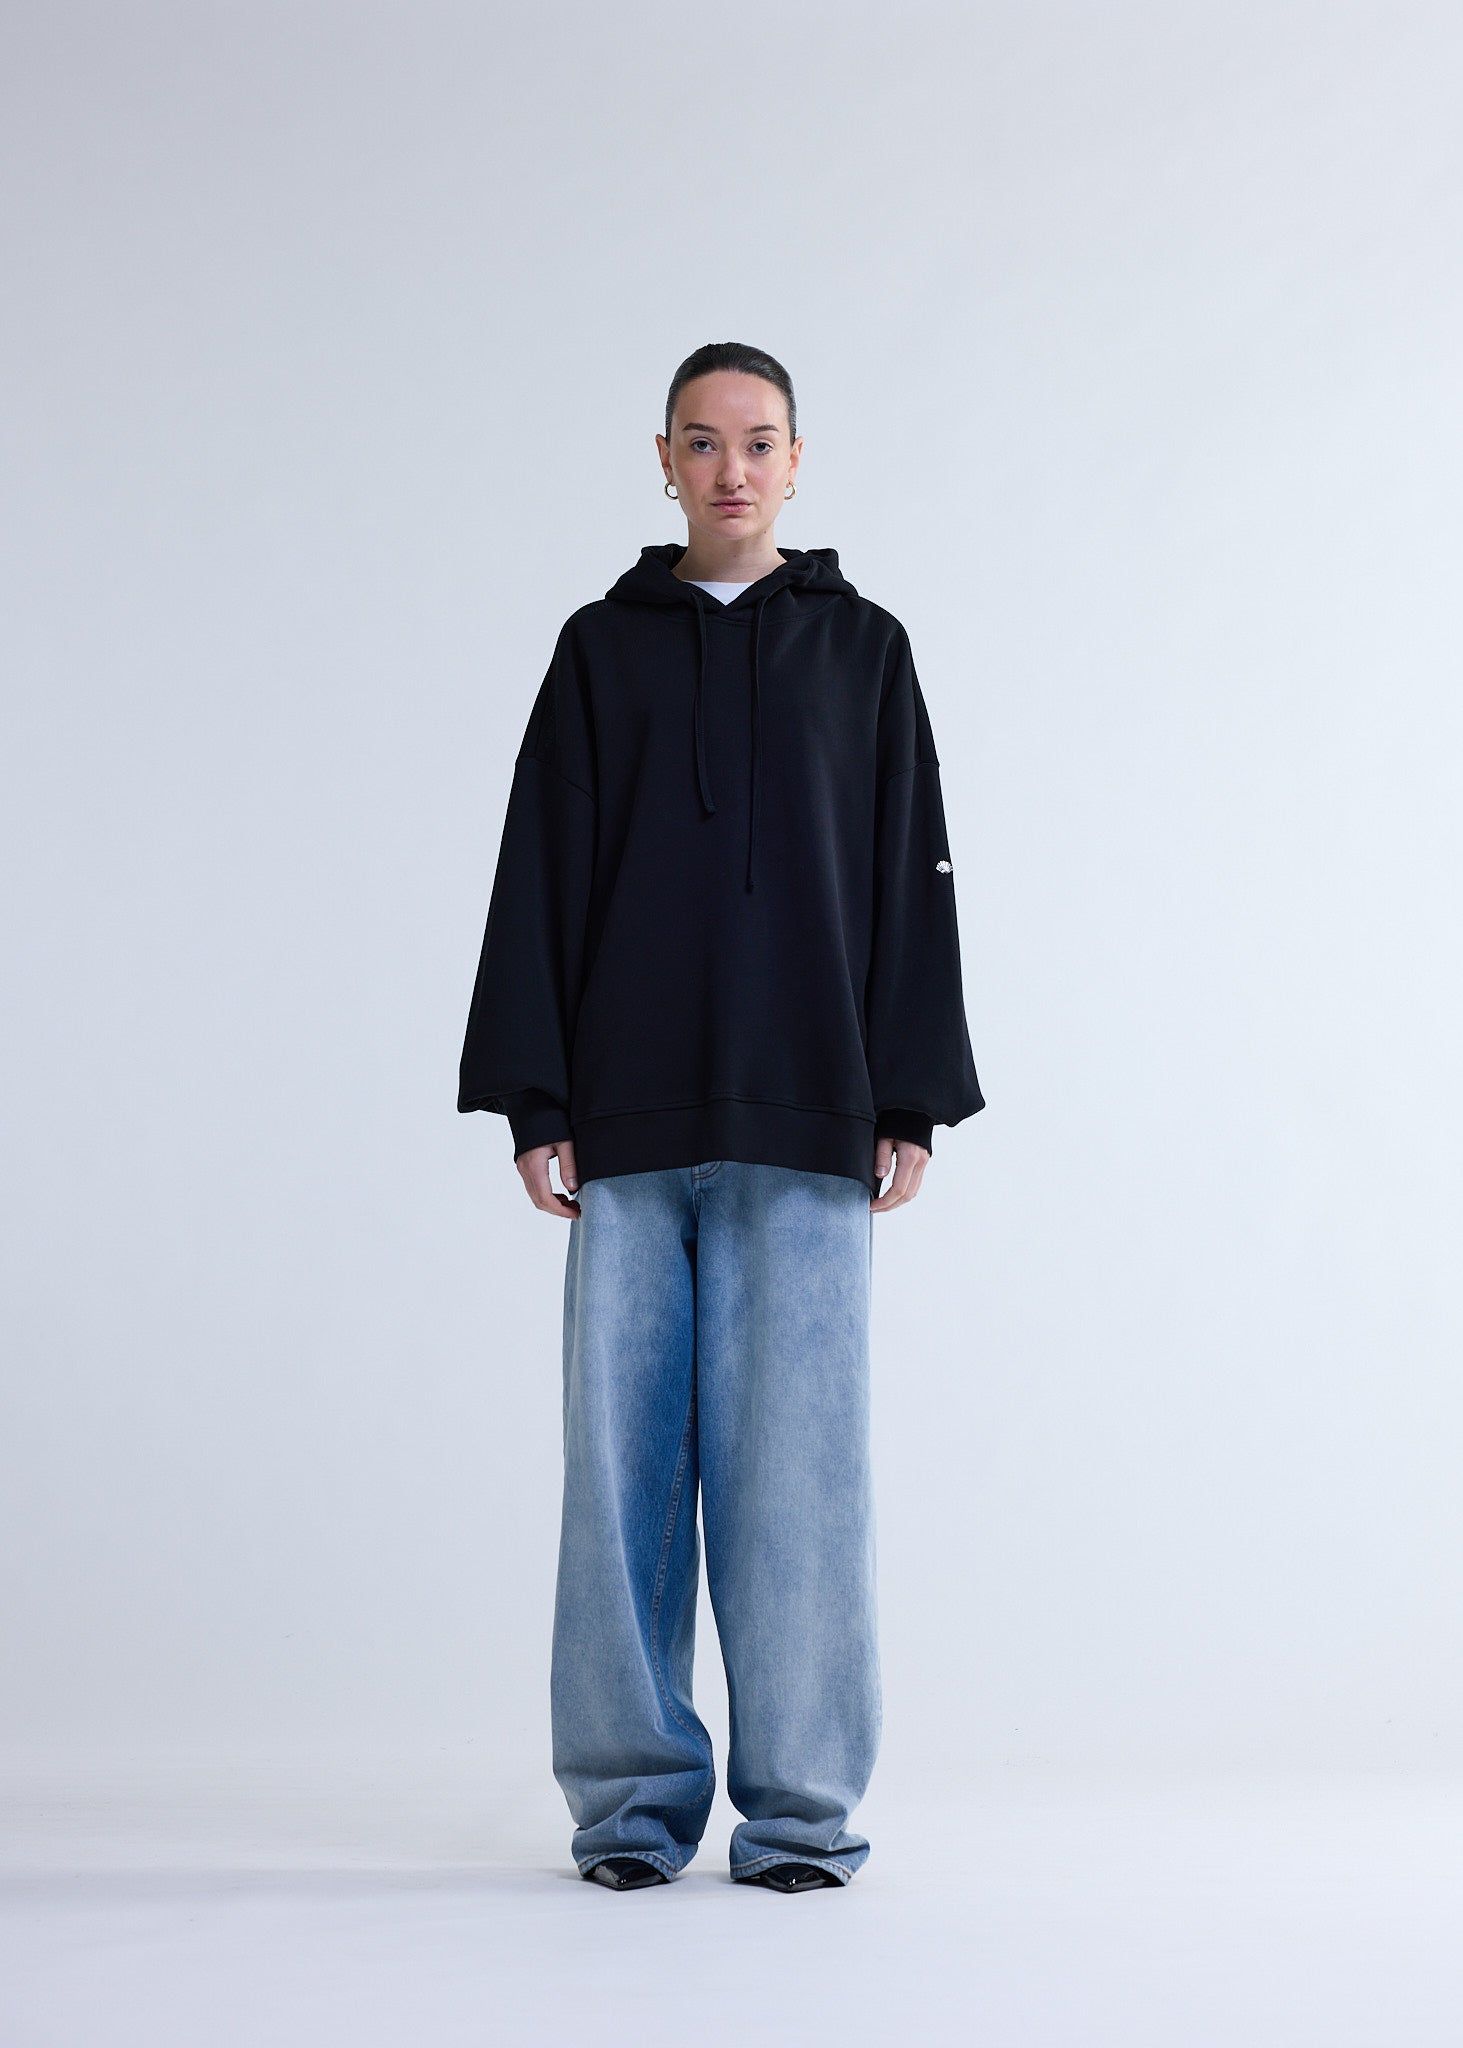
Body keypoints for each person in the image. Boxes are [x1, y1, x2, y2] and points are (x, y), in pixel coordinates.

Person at [457, 341, 984, 1894]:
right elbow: (540, 867)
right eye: (703, 441)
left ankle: (803, 1812)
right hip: (627, 1123)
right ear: (665, 461)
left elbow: (910, 870)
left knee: (801, 1482)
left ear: (798, 461)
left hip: (809, 1118)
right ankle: (631, 1810)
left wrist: (909, 1096)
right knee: (621, 1486)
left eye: (759, 441)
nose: (732, 468)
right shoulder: (598, 652)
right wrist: (537, 1096)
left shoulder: (864, 651)